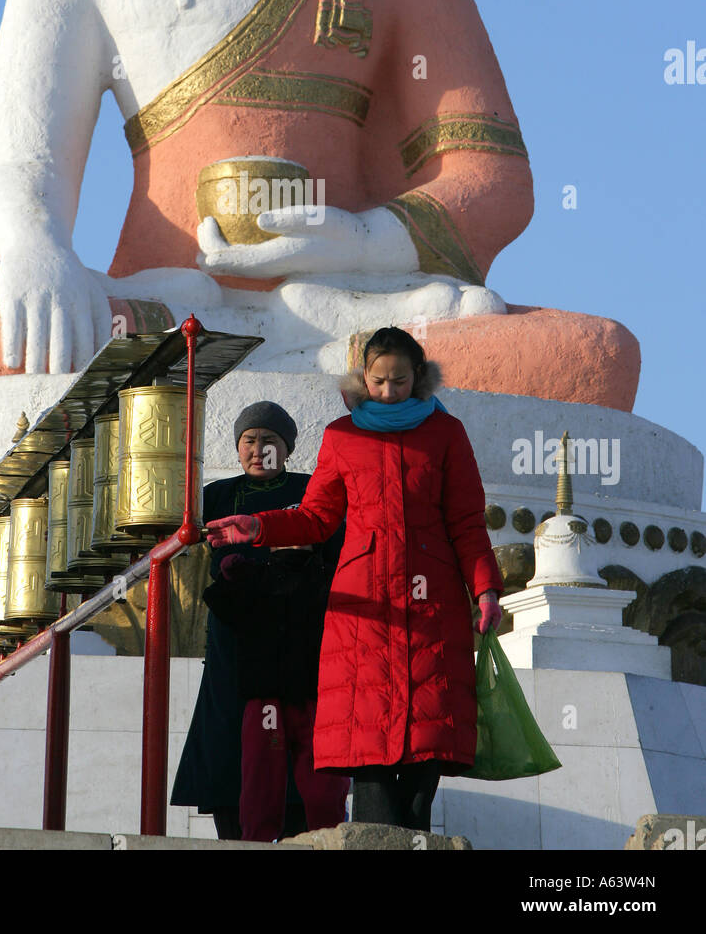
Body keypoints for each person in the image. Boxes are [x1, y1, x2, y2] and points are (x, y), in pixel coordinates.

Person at [207, 326, 504, 832]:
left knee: (423, 763)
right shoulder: (341, 436)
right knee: (367, 754)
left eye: (401, 381)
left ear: (420, 378)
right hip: (363, 612)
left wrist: (486, 589)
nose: (390, 392)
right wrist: (260, 526)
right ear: (363, 378)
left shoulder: (445, 435)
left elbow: (467, 523)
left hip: (432, 613)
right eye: (380, 381)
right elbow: (316, 518)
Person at [170, 400, 343, 840]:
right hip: (235, 645)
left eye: (269, 440)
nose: (258, 449)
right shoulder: (217, 496)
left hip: (301, 642)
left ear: (286, 448)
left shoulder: (312, 491)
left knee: (300, 750)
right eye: (250, 440)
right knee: (231, 750)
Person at [204, 542, 350, 842]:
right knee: (269, 783)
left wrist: (231, 576)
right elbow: (218, 600)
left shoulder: (322, 574)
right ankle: (322, 840)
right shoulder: (318, 574)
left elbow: (218, 600)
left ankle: (323, 839)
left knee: (310, 786)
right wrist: (232, 577)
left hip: (303, 696)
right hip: (289, 696)